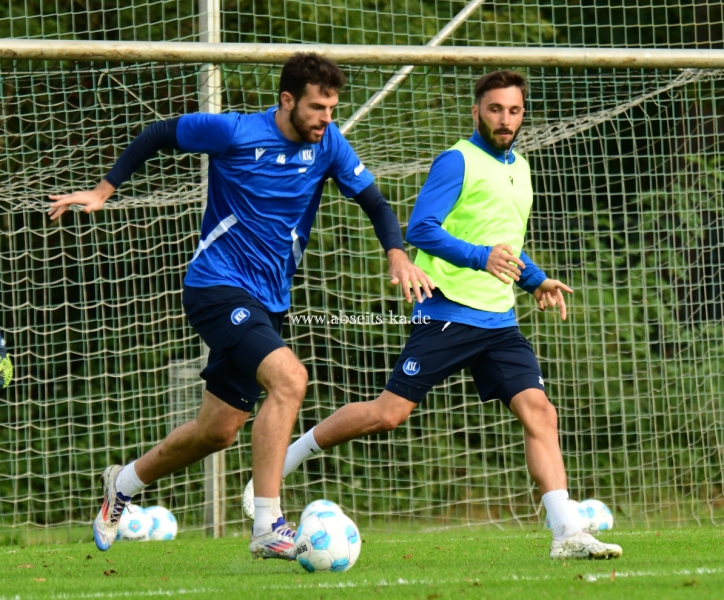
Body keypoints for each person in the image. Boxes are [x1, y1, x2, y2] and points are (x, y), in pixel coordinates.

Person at [48, 52, 433, 559]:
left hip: (268, 300)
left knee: (217, 431)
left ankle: (123, 483)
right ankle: (268, 525)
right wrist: (103, 191)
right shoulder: (234, 132)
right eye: (317, 108)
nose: (326, 119)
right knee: (290, 379)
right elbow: (159, 133)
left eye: (332, 109)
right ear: (287, 100)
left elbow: (375, 203)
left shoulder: (329, 144)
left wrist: (397, 254)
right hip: (217, 286)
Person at [242, 70, 622, 560]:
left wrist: (535, 280)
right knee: (388, 415)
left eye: (514, 110)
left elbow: (505, 245)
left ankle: (567, 533)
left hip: (499, 320)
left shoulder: (522, 168)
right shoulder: (457, 160)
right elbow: (421, 228)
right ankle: (282, 462)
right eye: (495, 109)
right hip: (448, 312)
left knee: (540, 412)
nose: (505, 120)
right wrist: (479, 257)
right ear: (476, 111)